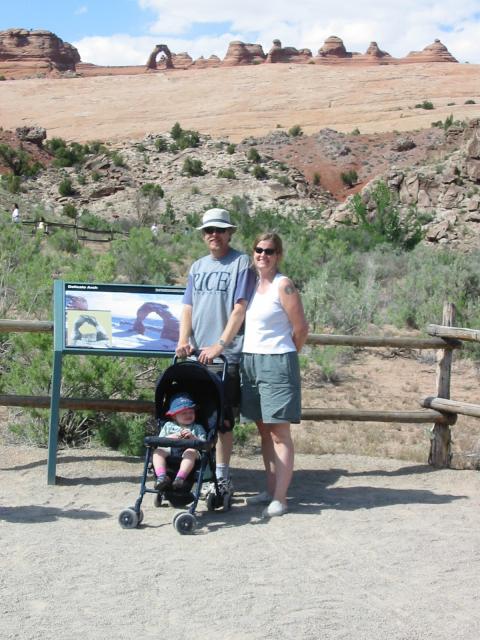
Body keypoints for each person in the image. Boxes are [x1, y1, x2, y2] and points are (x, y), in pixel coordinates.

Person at [176, 208, 255, 497]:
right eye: (209, 230)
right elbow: (188, 307)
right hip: (197, 355)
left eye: (220, 230)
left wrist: (220, 344)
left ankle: (221, 477)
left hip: (225, 355)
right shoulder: (197, 267)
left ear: (230, 233)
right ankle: (197, 473)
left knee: (222, 419)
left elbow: (240, 308)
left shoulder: (241, 263)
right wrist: (184, 339)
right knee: (193, 416)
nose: (214, 235)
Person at [240, 232, 309, 518]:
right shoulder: (251, 284)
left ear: (278, 255)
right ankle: (270, 490)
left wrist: (286, 354)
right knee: (264, 431)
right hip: (251, 361)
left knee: (280, 432)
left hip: (277, 361)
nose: (263, 255)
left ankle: (281, 497)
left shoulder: (284, 286)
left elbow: (301, 328)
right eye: (258, 250)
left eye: (269, 251)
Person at [152, 393, 207, 491]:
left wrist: (193, 438)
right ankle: (162, 476)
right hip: (170, 450)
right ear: (174, 416)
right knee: (157, 452)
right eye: (184, 413)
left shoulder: (197, 427)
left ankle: (180, 478)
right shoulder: (168, 426)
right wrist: (171, 437)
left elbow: (204, 444)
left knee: (190, 452)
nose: (188, 415)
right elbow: (159, 441)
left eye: (191, 412)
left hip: (189, 452)